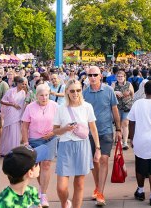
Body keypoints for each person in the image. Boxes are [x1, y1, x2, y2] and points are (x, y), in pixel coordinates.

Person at [53, 79, 102, 208]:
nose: (75, 93)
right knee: (61, 188)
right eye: (72, 91)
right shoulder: (61, 108)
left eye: (78, 90)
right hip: (65, 146)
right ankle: (65, 203)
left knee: (79, 184)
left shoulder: (87, 107)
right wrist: (66, 128)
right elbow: (55, 131)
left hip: (82, 146)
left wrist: (97, 148)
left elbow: (93, 128)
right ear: (67, 92)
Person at [82, 66, 122, 206]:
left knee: (103, 159)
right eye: (90, 75)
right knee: (94, 161)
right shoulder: (84, 93)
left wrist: (118, 129)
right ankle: (98, 187)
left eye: (95, 75)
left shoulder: (109, 91)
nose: (92, 77)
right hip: (90, 133)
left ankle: (100, 192)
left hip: (106, 131)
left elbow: (115, 110)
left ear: (101, 76)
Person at [21, 84, 58, 207]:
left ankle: (43, 195)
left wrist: (53, 132)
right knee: (36, 168)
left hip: (50, 139)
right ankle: (42, 188)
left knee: (46, 165)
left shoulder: (55, 106)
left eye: (46, 95)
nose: (44, 97)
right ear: (36, 96)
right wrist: (26, 141)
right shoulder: (30, 107)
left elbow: (60, 123)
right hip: (34, 139)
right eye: (41, 95)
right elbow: (24, 125)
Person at [0, 76, 28, 156]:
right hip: (10, 113)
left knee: (16, 133)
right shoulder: (11, 91)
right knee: (9, 132)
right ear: (18, 83)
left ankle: (14, 150)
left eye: (25, 84)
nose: (24, 86)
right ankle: (5, 151)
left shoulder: (23, 92)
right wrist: (13, 104)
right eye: (23, 84)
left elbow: (23, 104)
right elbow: (2, 101)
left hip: (19, 114)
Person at [112, 69, 134, 150]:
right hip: (117, 107)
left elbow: (132, 94)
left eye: (122, 76)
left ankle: (125, 142)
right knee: (119, 124)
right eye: (119, 76)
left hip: (127, 107)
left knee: (125, 124)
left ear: (125, 77)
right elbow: (110, 94)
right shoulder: (114, 84)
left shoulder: (129, 84)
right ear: (116, 77)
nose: (120, 78)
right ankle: (119, 141)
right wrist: (115, 92)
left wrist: (128, 93)